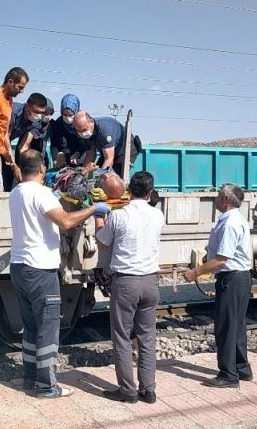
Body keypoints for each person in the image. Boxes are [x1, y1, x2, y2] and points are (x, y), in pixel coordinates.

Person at [9, 149, 111, 398]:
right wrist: (92, 210)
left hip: (19, 266)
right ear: (42, 168)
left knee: (32, 327)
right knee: (48, 327)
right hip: (40, 268)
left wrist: (53, 196)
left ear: (20, 169)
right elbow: (65, 222)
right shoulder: (42, 194)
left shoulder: (16, 192)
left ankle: (30, 379)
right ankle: (47, 387)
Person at [95, 171, 165, 404]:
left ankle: (127, 390)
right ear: (150, 192)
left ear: (129, 190)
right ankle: (149, 389)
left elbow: (102, 242)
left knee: (122, 337)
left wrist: (98, 216)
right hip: (150, 282)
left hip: (125, 282)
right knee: (147, 337)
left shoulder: (118, 216)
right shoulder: (158, 216)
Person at [183, 183, 254, 388]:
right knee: (237, 325)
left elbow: (223, 259)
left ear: (225, 200)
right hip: (239, 278)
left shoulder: (230, 223)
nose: (215, 199)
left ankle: (228, 374)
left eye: (217, 196)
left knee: (225, 327)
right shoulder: (234, 219)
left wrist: (195, 272)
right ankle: (242, 368)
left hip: (232, 278)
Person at [72, 111, 139, 179]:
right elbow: (90, 155)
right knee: (94, 173)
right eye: (79, 131)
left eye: (84, 130)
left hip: (124, 152)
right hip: (106, 152)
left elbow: (109, 159)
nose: (83, 133)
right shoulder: (82, 135)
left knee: (112, 179)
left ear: (91, 122)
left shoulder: (105, 130)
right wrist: (82, 174)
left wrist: (100, 178)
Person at [2, 93, 48, 190]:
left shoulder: (37, 122)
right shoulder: (12, 112)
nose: (39, 116)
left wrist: (29, 168)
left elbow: (23, 147)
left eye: (42, 113)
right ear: (27, 107)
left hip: (4, 144)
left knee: (10, 178)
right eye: (36, 111)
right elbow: (4, 139)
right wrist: (14, 167)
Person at [49, 94, 90, 168]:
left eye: (70, 115)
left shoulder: (81, 122)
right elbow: (54, 143)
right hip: (64, 159)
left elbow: (85, 143)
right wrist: (55, 158)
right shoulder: (58, 124)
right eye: (65, 114)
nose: (67, 117)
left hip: (80, 158)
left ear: (76, 112)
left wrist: (77, 154)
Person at [17, 97, 54, 169]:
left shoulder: (50, 125)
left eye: (51, 113)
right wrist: (29, 165)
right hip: (27, 159)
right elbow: (24, 146)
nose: (48, 116)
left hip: (41, 159)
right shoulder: (33, 123)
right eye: (45, 113)